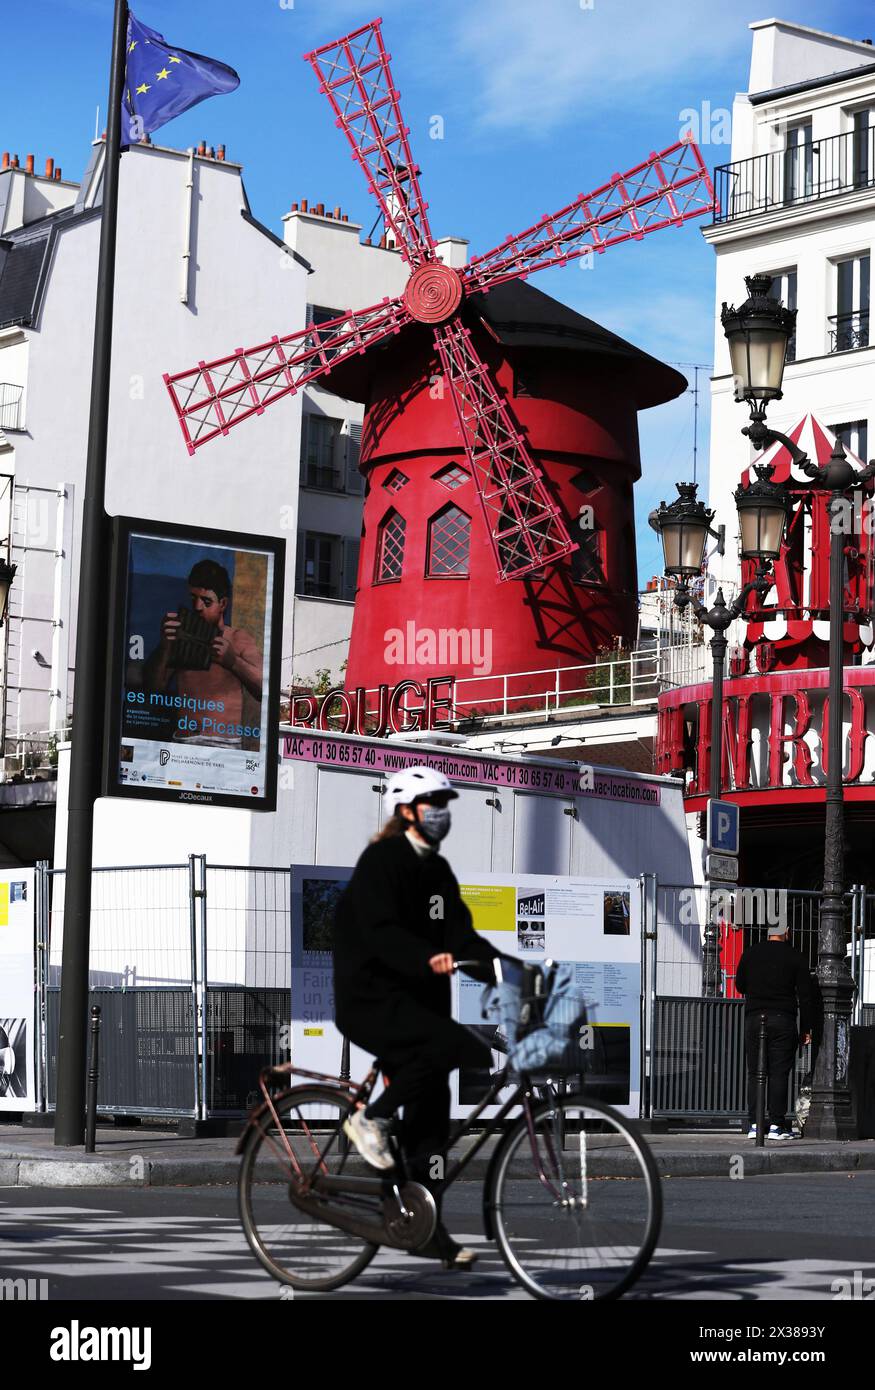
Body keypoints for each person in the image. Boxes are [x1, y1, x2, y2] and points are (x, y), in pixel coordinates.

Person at [332, 765, 500, 1269]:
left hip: (420, 1005)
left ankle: (427, 1229)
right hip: (372, 1000)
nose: (441, 813)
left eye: (444, 804)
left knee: (430, 1125)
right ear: (406, 811)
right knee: (453, 1048)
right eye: (433, 804)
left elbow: (461, 935)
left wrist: (507, 970)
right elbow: (380, 932)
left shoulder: (437, 871)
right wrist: (424, 957)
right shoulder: (382, 861)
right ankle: (370, 1119)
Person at [143, 559, 263, 747]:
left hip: (225, 745)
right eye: (193, 598)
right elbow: (154, 688)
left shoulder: (238, 638)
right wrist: (165, 646)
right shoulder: (180, 636)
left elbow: (265, 688)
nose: (198, 607)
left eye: (206, 601)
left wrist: (233, 662)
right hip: (184, 741)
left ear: (222, 604)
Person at [735, 924, 814, 1140]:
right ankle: (776, 1126)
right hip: (782, 1019)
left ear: (768, 930)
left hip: (754, 1018)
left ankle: (754, 1124)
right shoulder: (795, 956)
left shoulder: (751, 953)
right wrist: (805, 1028)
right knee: (779, 1073)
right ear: (787, 930)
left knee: (755, 1073)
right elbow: (805, 996)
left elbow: (740, 985)